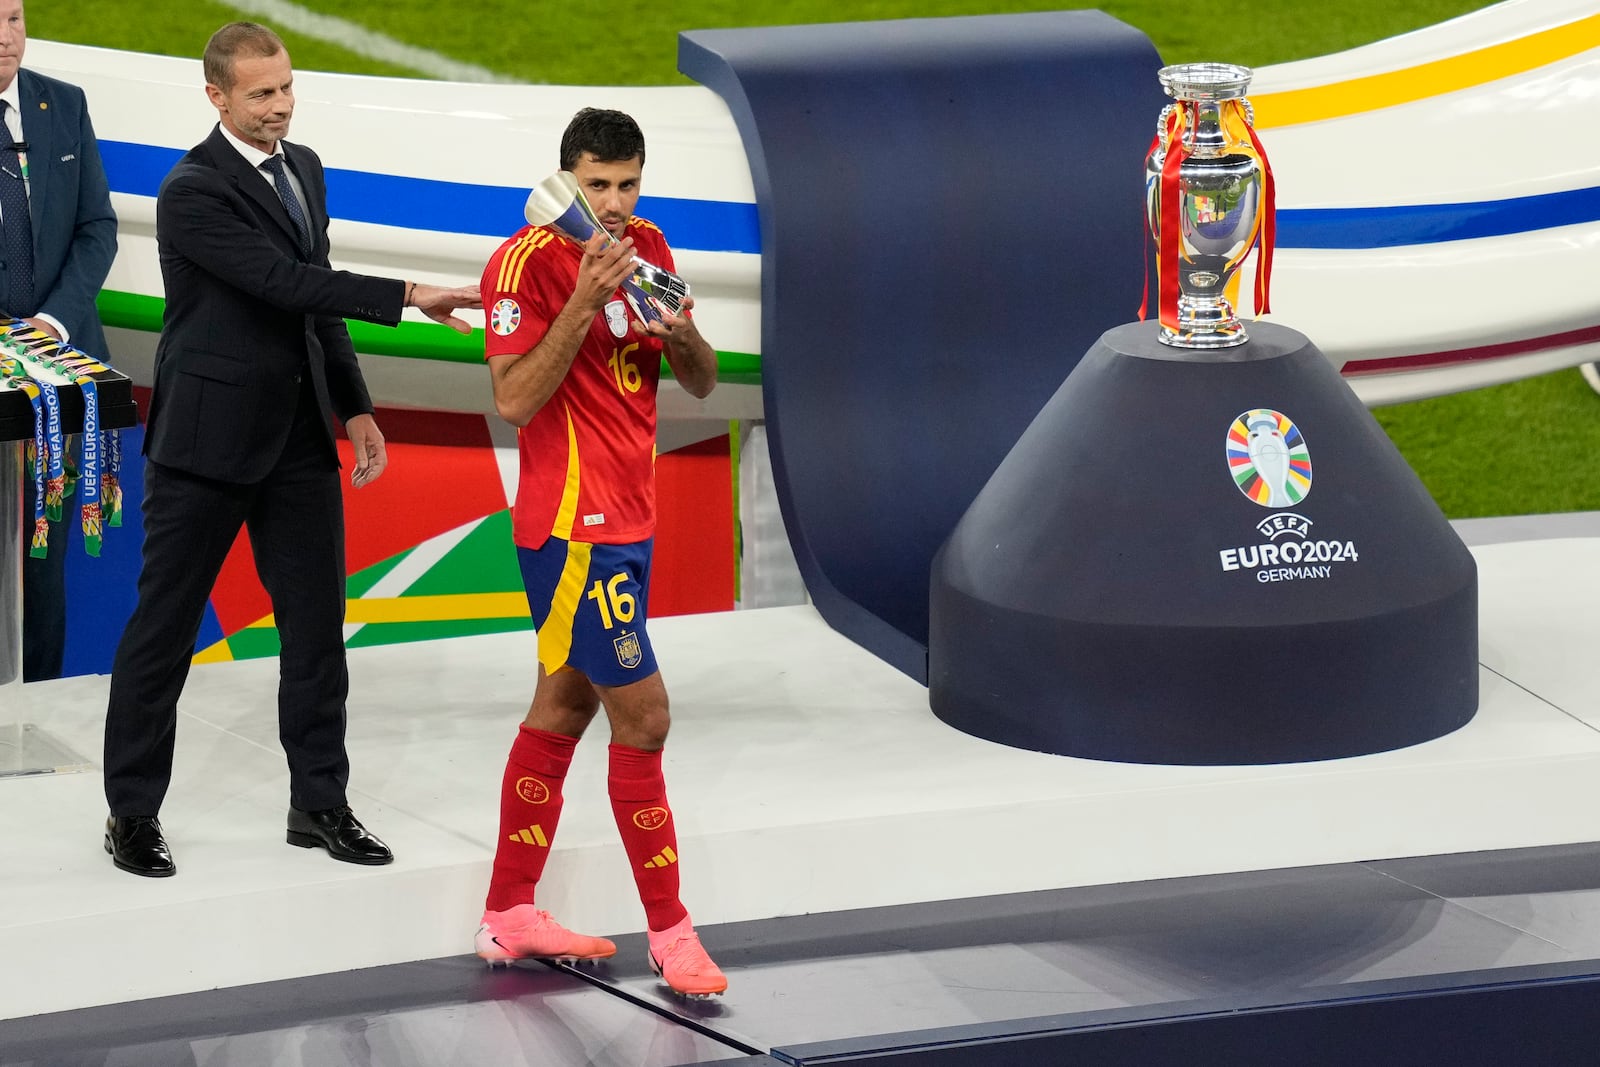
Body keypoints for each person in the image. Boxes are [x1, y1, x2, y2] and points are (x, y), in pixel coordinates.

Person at [100, 21, 479, 878]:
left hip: (299, 443)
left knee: (316, 633)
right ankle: (131, 813)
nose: (279, 106)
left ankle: (319, 803)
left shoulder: (303, 167)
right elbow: (283, 282)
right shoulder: (192, 190)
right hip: (205, 446)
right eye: (261, 93)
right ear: (218, 98)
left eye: (286, 87)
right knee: (161, 632)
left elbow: (317, 307)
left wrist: (354, 407)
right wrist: (413, 293)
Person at [475, 108, 726, 997]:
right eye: (597, 186)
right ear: (567, 180)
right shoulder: (521, 262)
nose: (614, 204)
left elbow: (701, 377)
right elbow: (512, 399)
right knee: (646, 715)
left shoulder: (648, 242)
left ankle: (509, 913)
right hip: (573, 532)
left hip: (633, 523)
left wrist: (676, 325)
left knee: (563, 706)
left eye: (627, 184)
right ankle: (671, 930)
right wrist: (587, 297)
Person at [0, 0, 119, 683]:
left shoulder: (62, 106)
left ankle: (36, 704)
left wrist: (49, 327)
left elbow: (96, 227)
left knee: (42, 562)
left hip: (58, 379)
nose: (5, 36)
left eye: (14, 17)